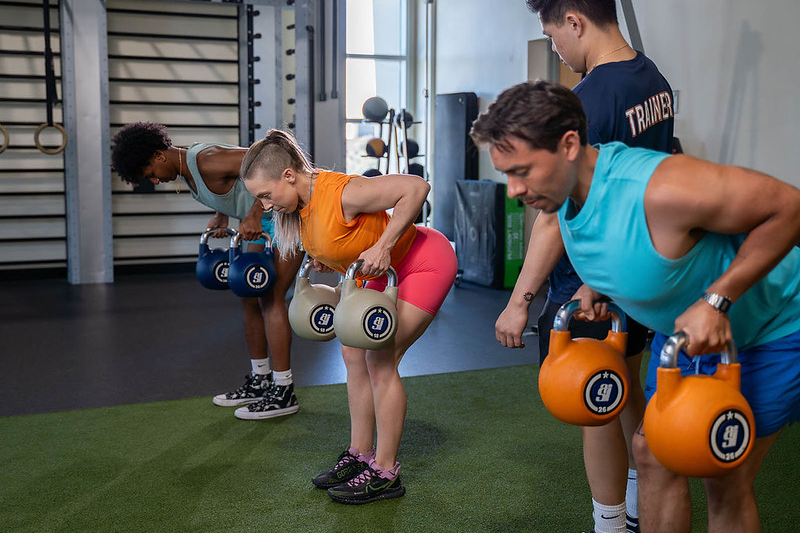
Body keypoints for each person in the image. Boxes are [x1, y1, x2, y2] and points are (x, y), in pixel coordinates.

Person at [471, 79, 800, 533]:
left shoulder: (660, 187)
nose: (512, 189)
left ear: (569, 145)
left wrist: (717, 299)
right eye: (506, 173)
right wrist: (598, 287)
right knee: (652, 454)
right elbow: (622, 241)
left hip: (772, 327)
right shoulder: (565, 195)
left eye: (522, 171)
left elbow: (789, 208)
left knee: (722, 477)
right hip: (687, 336)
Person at [494, 1, 675, 531]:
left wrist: (518, 300)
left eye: (554, 39)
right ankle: (643, 497)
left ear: (575, 21)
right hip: (639, 269)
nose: (558, 51)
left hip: (590, 277)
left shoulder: (589, 99)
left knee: (595, 402)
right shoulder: (653, 79)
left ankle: (610, 521)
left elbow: (553, 215)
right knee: (627, 387)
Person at [239, 129, 458, 504]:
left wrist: (383, 245)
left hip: (423, 263)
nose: (266, 205)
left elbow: (417, 187)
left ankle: (386, 473)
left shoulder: (341, 192)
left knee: (379, 357)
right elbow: (343, 239)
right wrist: (334, 257)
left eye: (266, 194)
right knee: (352, 353)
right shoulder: (301, 207)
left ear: (289, 176)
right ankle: (361, 454)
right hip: (381, 277)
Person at [110, 122, 305, 420]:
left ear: (159, 156)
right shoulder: (188, 173)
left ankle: (284, 390)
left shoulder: (206, 160)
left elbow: (267, 156)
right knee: (248, 294)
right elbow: (234, 186)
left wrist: (253, 212)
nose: (156, 180)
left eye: (150, 173)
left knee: (271, 297)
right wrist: (222, 214)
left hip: (286, 219)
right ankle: (260, 379)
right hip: (265, 225)